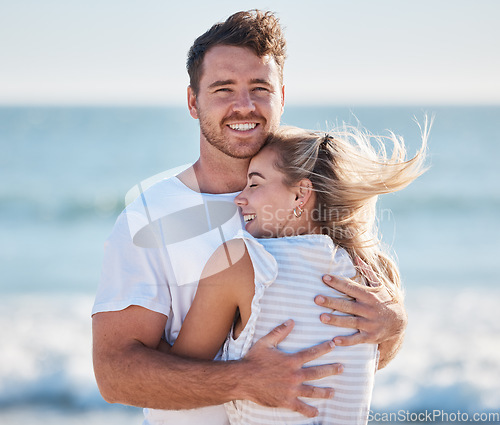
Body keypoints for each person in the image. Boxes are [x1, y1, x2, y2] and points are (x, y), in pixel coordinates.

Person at [92, 10, 408, 425]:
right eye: (223, 89)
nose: (244, 105)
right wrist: (243, 380)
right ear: (193, 101)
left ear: (281, 95)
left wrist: (393, 326)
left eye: (259, 88)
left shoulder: (319, 196)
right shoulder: (151, 218)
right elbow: (116, 376)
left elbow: (355, 351)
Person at [170, 124, 427, 424]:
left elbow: (176, 380)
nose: (239, 198)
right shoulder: (372, 278)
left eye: (254, 184)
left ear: (300, 195)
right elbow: (371, 364)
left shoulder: (243, 261)